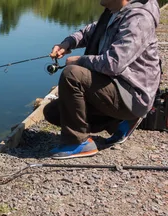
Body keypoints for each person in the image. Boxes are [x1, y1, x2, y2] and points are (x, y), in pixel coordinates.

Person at [45, 0, 161, 160]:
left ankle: (78, 142)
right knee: (52, 113)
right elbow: (88, 32)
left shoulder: (139, 18)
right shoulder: (114, 12)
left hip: (133, 94)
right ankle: (118, 122)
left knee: (72, 74)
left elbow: (114, 63)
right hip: (115, 86)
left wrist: (80, 60)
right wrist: (67, 43)